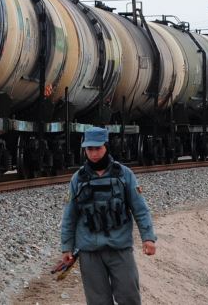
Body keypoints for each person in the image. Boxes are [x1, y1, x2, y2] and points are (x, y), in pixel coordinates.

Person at [58, 127, 157, 305]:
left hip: (119, 248)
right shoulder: (77, 179)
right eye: (89, 149)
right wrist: (67, 247)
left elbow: (140, 209)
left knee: (129, 297)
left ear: (106, 146)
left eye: (98, 148)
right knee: (98, 301)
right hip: (89, 252)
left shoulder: (125, 174)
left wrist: (148, 238)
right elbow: (69, 216)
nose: (94, 153)